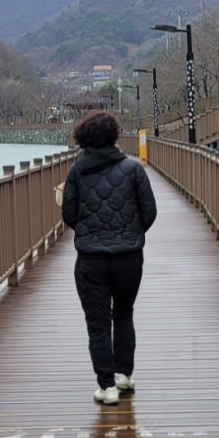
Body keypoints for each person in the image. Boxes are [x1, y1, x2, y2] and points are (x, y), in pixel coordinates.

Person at [59, 110, 157, 404]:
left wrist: (90, 232)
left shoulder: (77, 171)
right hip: (129, 257)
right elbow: (149, 212)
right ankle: (123, 376)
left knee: (98, 323)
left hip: (91, 259)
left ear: (84, 138)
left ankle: (107, 387)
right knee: (124, 314)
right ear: (114, 136)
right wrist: (131, 234)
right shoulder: (133, 169)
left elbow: (69, 214)